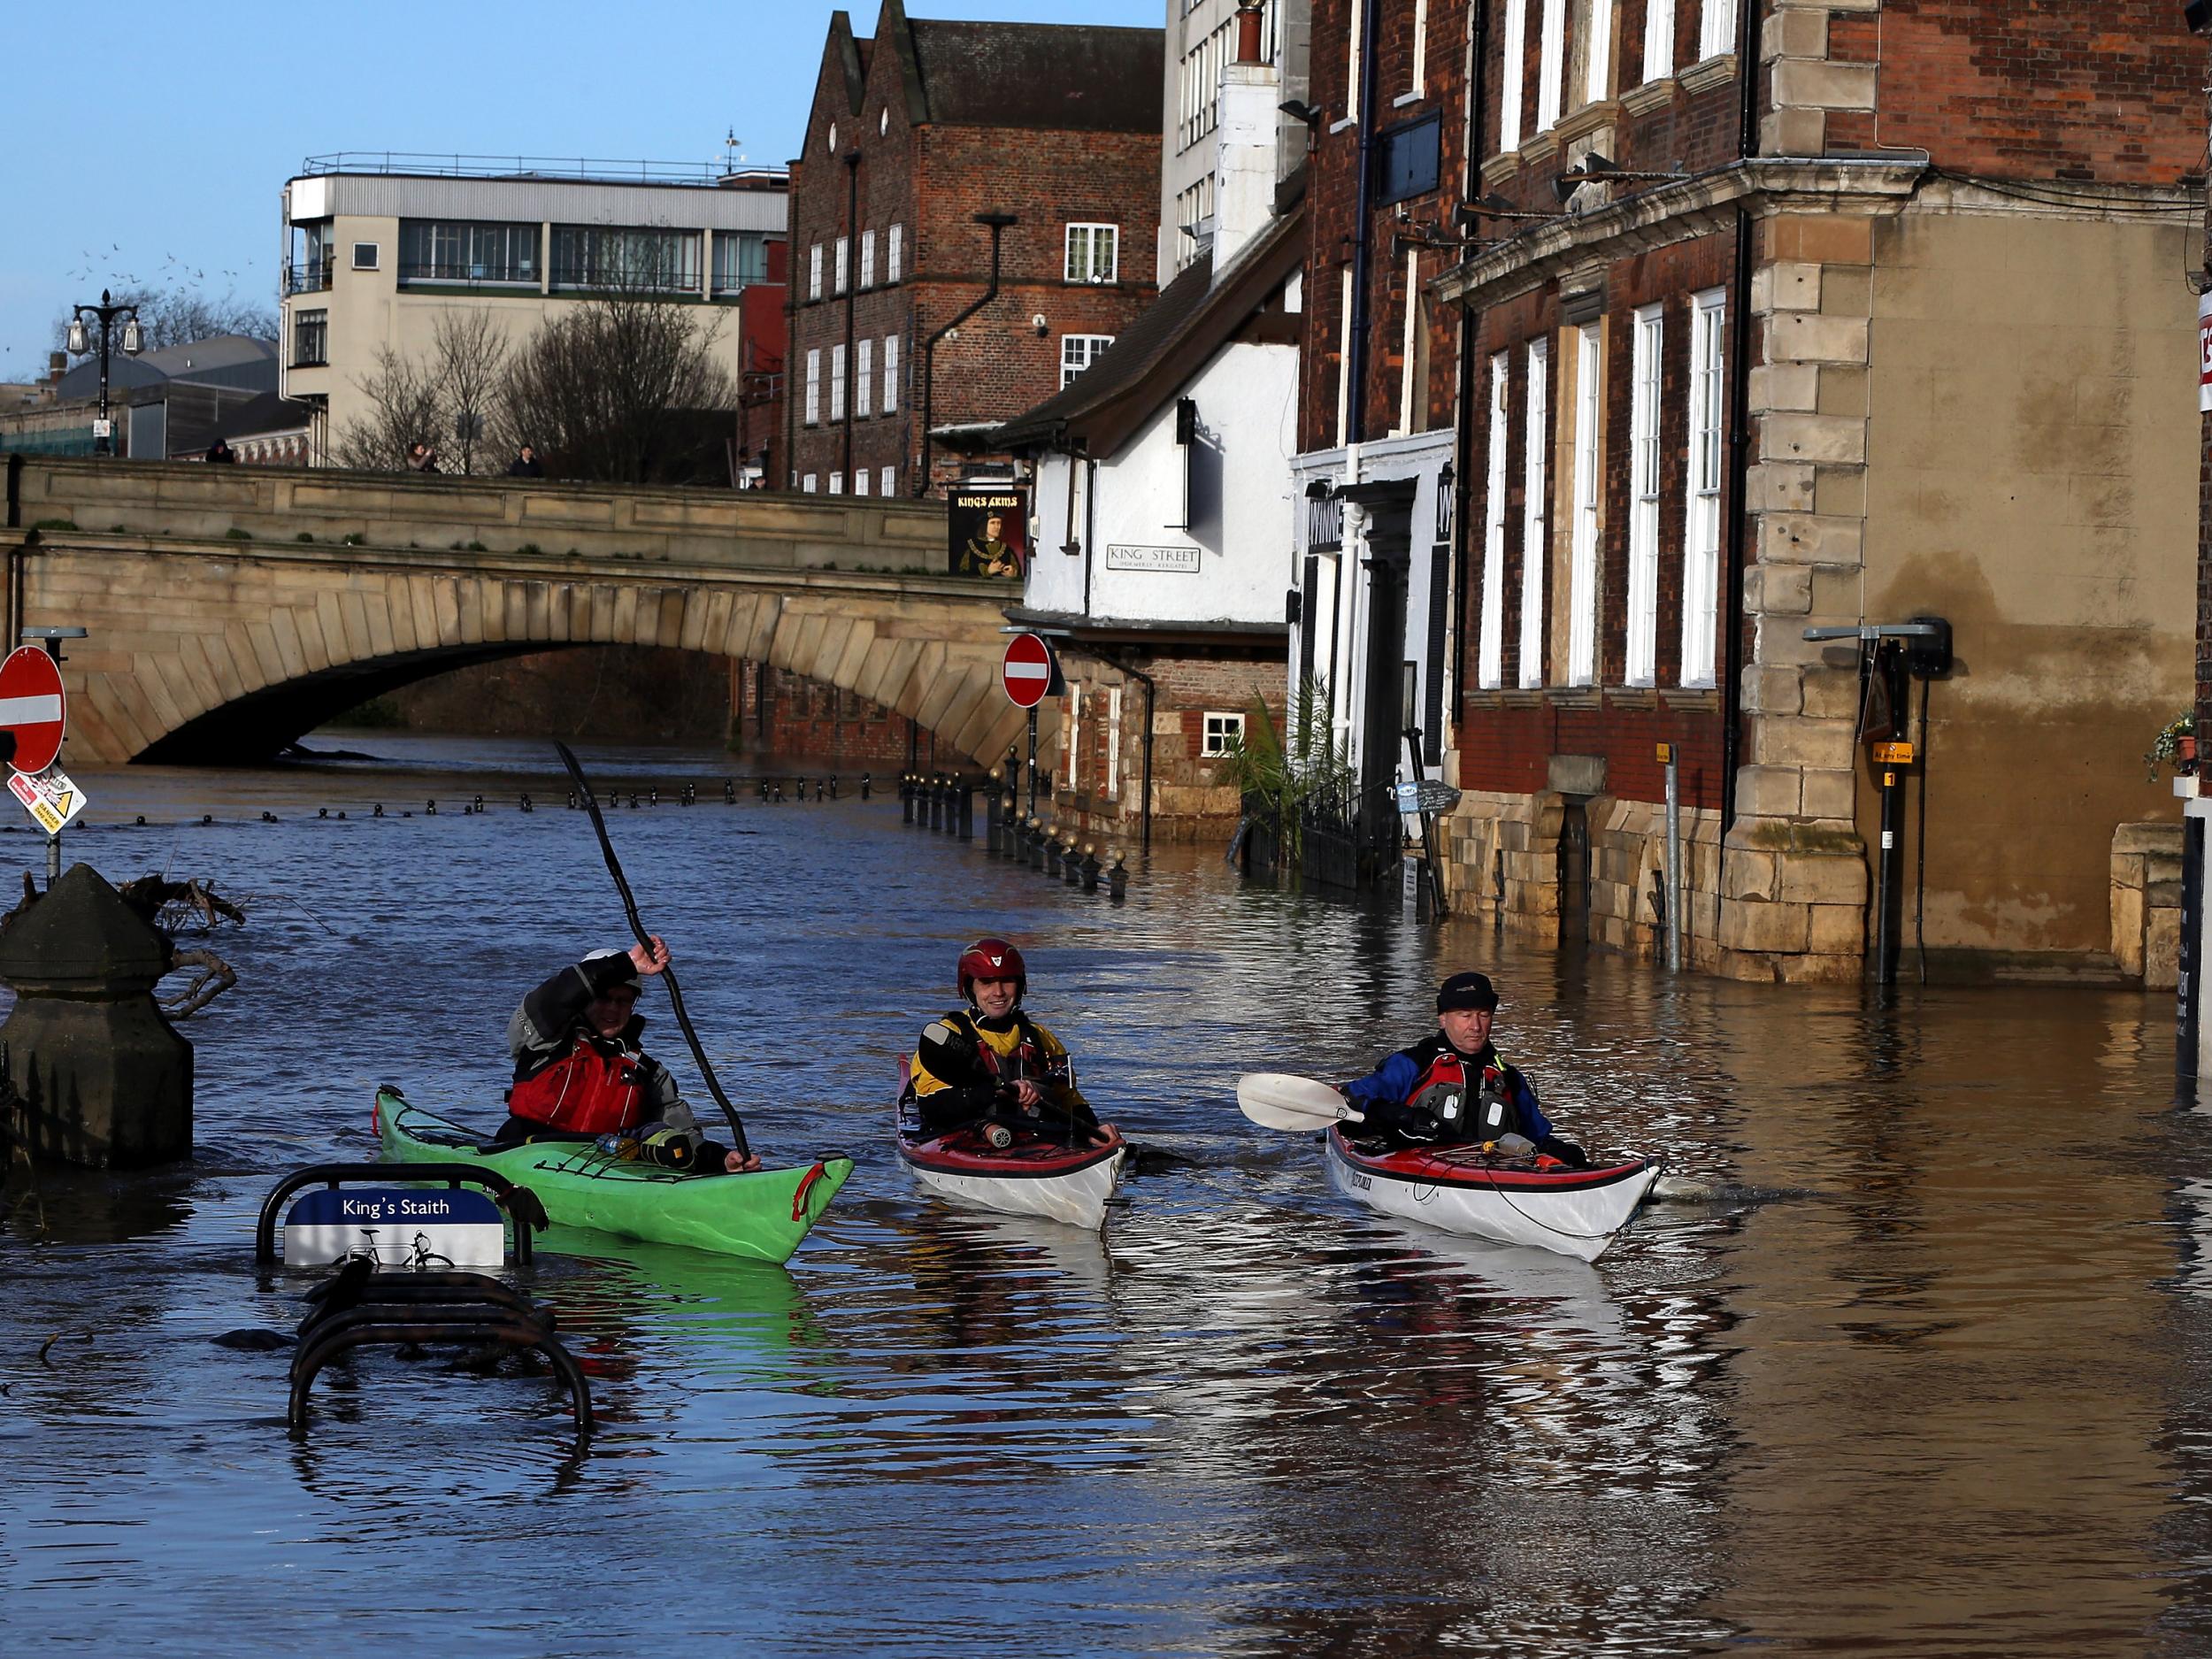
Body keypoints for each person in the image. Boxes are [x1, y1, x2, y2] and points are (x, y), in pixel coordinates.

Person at [496, 936, 760, 1172]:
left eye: (623, 1001)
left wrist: (721, 1160)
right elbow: (554, 997)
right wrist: (627, 963)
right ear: (585, 999)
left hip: (602, 1167)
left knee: (664, 1139)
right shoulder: (544, 1040)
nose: (613, 1009)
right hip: (527, 1154)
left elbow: (682, 1132)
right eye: (605, 998)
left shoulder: (647, 1072)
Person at [1341, 972, 1590, 1166]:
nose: (1475, 1026)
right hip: (1414, 1164)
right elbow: (1352, 1097)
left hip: (1490, 1174)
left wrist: (1560, 1151)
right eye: (1464, 1015)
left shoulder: (1509, 1078)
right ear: (1443, 1018)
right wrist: (1403, 1115)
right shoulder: (1413, 1063)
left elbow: (1537, 1136)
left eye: (1483, 1015)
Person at [901, 937, 1104, 1146]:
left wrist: (1096, 1131)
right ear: (970, 987)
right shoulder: (945, 1037)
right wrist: (995, 1092)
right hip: (966, 1137)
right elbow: (931, 1107)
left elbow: (1069, 1099)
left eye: (1007, 981)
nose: (998, 992)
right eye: (986, 982)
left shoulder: (1041, 1038)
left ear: (1020, 984)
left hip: (1034, 1141)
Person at [959, 511, 1020, 579]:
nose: (997, 527)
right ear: (984, 525)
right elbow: (963, 572)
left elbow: (1017, 570)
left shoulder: (1006, 548)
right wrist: (987, 572)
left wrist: (1013, 572)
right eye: (993, 523)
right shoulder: (971, 547)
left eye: (999, 523)